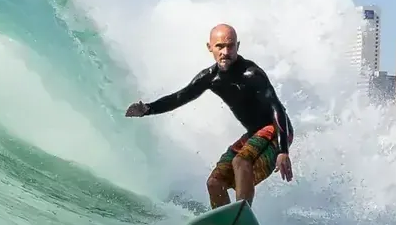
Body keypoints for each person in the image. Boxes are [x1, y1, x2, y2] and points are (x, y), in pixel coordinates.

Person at [126, 22, 295, 210]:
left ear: (237, 47)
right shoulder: (210, 78)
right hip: (255, 133)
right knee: (215, 182)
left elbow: (276, 107)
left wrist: (283, 151)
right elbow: (180, 97)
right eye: (219, 46)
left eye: (230, 46)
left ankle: (240, 215)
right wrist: (148, 109)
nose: (225, 51)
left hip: (276, 129)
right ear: (210, 48)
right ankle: (224, 223)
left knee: (240, 160)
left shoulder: (252, 74)